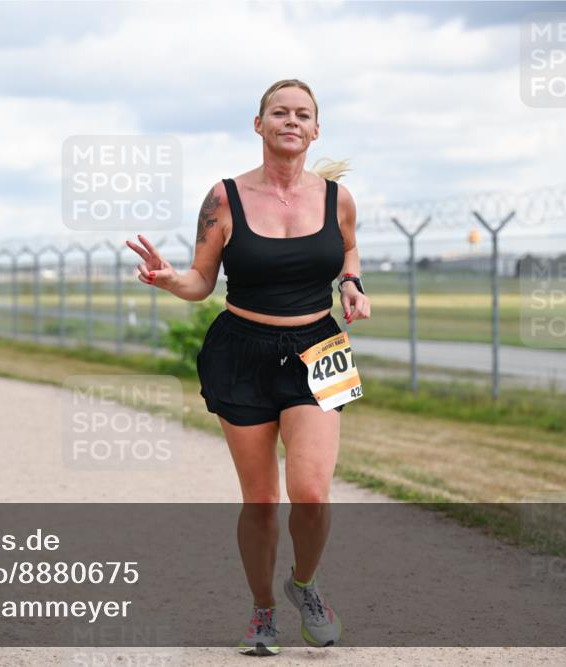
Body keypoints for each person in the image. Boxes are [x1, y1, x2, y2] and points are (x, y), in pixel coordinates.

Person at [127, 79, 371, 657]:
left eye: (302, 114)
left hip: (318, 349)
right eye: (279, 112)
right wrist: (170, 279)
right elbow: (200, 280)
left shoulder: (337, 198)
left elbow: (349, 249)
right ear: (258, 124)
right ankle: (263, 610)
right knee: (261, 498)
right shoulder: (224, 197)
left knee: (310, 492)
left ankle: (305, 587)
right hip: (240, 349)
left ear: (316, 130)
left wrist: (352, 284)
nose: (291, 120)